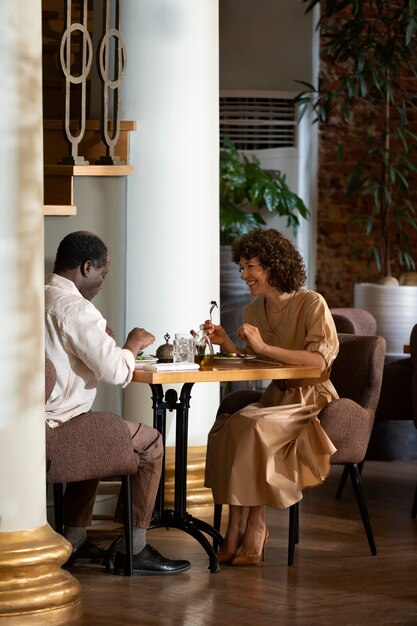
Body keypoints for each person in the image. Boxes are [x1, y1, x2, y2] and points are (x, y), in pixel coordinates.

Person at [45, 230, 190, 576]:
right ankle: (135, 549)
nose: (102, 283)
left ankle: (75, 538)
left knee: (92, 431)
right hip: (59, 429)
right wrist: (133, 343)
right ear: (87, 266)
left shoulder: (33, 297)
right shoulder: (76, 309)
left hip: (31, 426)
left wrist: (104, 341)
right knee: (152, 443)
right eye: (103, 275)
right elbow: (115, 372)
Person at [203, 229, 339, 566]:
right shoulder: (254, 310)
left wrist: (263, 346)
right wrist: (228, 346)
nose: (244, 275)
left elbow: (318, 362)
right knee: (227, 428)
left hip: (310, 401)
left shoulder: (312, 304)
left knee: (250, 425)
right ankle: (233, 526)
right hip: (275, 398)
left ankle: (255, 525)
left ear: (273, 267)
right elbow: (259, 362)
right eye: (242, 268)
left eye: (251, 267)